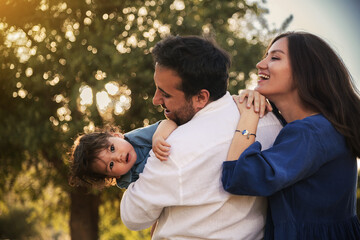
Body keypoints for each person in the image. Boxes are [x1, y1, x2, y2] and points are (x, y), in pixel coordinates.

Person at [120, 35, 283, 239]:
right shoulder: (271, 122)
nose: (155, 100)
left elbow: (133, 217)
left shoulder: (174, 149)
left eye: (165, 94)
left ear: (201, 98)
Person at [222, 31, 360, 239]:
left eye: (275, 57)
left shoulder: (310, 133)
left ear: (305, 71)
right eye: (265, 56)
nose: (260, 64)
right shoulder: (324, 127)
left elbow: (238, 177)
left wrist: (249, 113)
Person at [69, 119, 177, 189]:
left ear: (117, 136)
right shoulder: (126, 182)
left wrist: (158, 137)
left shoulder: (136, 138)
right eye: (111, 165)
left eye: (112, 148)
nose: (118, 157)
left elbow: (169, 122)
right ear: (115, 176)